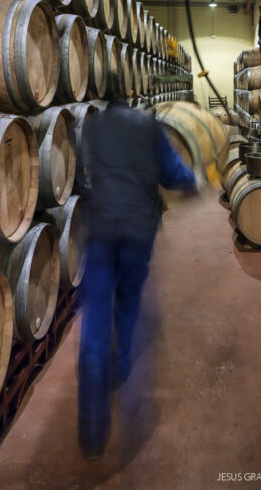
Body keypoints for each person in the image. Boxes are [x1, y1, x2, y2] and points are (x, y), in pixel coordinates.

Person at [77, 78, 199, 460]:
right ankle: (121, 366)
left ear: (101, 98)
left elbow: (82, 179)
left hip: (101, 227)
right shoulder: (147, 124)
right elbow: (171, 171)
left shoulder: (92, 127)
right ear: (127, 95)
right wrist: (190, 183)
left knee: (96, 313)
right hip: (137, 228)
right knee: (128, 301)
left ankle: (93, 423)